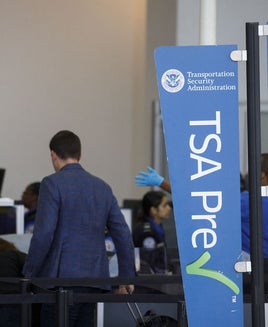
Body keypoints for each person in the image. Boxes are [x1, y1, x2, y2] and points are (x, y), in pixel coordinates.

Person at [23, 130, 136, 327]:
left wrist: (29, 273)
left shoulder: (52, 183)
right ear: (80, 155)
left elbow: (44, 234)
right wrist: (126, 277)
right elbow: (123, 234)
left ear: (53, 154)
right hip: (95, 280)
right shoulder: (102, 187)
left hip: (61, 282)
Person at [135, 155, 268, 258]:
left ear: (261, 174)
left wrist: (162, 183)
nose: (247, 172)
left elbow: (199, 200)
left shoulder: (249, 201)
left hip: (253, 271)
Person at [133, 191, 172, 274]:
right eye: (164, 205)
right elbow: (148, 262)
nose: (169, 208)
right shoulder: (146, 232)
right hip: (150, 281)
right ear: (153, 210)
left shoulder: (157, 227)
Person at [0, 238, 26, 327]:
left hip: (10, 305)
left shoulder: (6, 257)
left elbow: (7, 292)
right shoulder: (13, 255)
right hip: (26, 305)